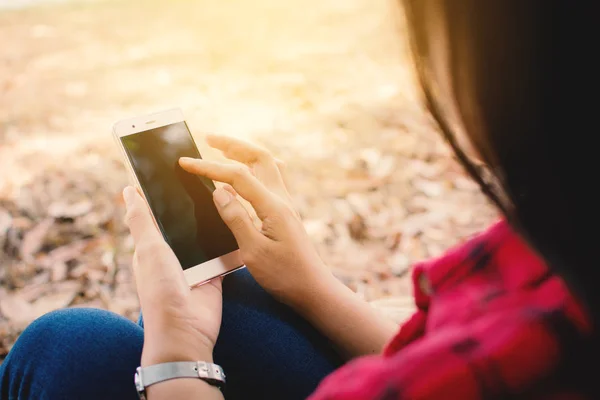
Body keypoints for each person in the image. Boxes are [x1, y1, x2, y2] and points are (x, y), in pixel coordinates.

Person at [1, 0, 596, 398]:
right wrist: (316, 288)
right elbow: (457, 344)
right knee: (242, 292)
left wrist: (177, 353)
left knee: (66, 346)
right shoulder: (562, 249)